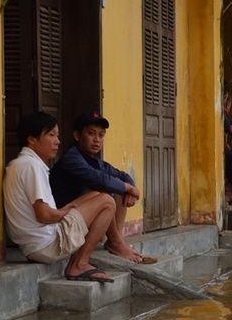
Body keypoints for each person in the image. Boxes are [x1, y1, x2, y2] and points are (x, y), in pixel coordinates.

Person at [3, 112, 116, 283]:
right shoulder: (31, 166)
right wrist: (65, 213)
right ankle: (79, 264)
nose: (57, 141)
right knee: (107, 202)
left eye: (57, 135)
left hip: (32, 246)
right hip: (48, 246)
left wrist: (66, 210)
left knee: (98, 194)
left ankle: (104, 248)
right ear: (32, 139)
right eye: (51, 135)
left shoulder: (18, 164)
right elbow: (45, 215)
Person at [49, 111, 156, 264]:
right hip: (62, 220)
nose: (96, 140)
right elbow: (98, 178)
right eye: (91, 134)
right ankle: (116, 243)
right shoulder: (71, 158)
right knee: (103, 191)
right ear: (77, 136)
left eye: (101, 135)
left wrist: (130, 189)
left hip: (80, 217)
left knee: (119, 191)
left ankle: (116, 241)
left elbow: (122, 175)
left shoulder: (95, 161)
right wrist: (128, 188)